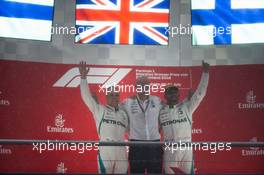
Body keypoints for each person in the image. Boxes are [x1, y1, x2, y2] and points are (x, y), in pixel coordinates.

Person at [160, 61, 210, 174]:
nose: (173, 94)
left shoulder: (187, 107)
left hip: (186, 148)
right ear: (165, 96)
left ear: (178, 94)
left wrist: (206, 73)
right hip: (169, 149)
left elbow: (200, 94)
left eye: (175, 92)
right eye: (169, 92)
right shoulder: (160, 111)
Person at [79, 61, 128, 174]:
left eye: (116, 95)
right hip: (106, 150)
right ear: (106, 97)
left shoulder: (123, 114)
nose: (114, 97)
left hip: (121, 151)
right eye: (111, 95)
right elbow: (86, 97)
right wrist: (83, 78)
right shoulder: (100, 109)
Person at [121, 76, 163, 174]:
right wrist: (130, 131)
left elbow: (168, 111)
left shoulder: (157, 100)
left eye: (146, 85)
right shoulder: (127, 102)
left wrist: (157, 130)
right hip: (136, 145)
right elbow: (117, 112)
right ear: (136, 87)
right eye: (141, 85)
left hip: (155, 144)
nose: (144, 87)